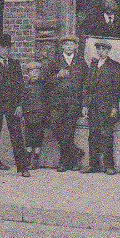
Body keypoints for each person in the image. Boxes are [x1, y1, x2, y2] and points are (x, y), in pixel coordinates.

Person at [81, 40, 120, 175]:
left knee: (106, 135)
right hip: (93, 105)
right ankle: (93, 164)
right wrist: (85, 105)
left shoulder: (114, 66)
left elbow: (118, 88)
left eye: (104, 49)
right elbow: (87, 86)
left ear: (108, 51)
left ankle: (109, 165)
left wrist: (114, 107)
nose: (101, 52)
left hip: (107, 105)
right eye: (98, 49)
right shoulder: (93, 65)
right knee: (93, 134)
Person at [45, 35, 87, 172]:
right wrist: (57, 75)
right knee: (54, 125)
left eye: (72, 44)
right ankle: (75, 153)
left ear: (76, 47)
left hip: (74, 102)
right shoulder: (54, 61)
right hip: (57, 102)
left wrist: (84, 103)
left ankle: (64, 161)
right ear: (62, 46)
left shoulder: (81, 62)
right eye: (66, 44)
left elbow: (86, 84)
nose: (69, 47)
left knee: (68, 131)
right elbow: (46, 81)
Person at [0, 33, 26, 177]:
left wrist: (20, 105)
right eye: (3, 48)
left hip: (12, 104)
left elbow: (20, 86)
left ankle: (22, 167)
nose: (6, 51)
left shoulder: (15, 64)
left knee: (17, 136)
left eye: (8, 48)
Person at [20, 61, 48, 176]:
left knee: (38, 137)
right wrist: (23, 112)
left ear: (40, 73)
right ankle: (27, 159)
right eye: (32, 72)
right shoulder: (25, 86)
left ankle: (35, 160)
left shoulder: (43, 86)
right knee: (28, 137)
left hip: (40, 115)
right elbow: (22, 100)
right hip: (28, 115)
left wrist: (45, 114)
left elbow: (46, 100)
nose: (34, 74)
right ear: (28, 74)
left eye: (37, 72)